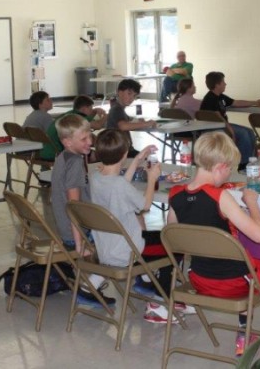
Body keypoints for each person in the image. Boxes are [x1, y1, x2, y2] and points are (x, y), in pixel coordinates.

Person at [167, 132, 260, 357]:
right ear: (220, 167)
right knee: (259, 253)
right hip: (234, 284)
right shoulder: (219, 196)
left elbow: (174, 238)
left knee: (240, 256)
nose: (229, 174)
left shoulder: (175, 195)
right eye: (230, 169)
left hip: (199, 279)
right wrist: (251, 203)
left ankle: (259, 322)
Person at [90, 131, 185, 323]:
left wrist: (137, 159)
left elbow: (120, 184)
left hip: (107, 247)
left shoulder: (95, 177)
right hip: (129, 251)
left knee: (160, 238)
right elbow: (145, 206)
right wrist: (152, 179)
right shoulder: (119, 186)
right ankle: (160, 302)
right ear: (124, 153)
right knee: (175, 245)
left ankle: (149, 280)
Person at [50, 113, 116, 308]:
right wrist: (79, 244)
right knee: (123, 242)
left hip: (68, 228)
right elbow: (74, 207)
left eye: (90, 136)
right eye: (84, 139)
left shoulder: (65, 156)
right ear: (68, 142)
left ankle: (90, 282)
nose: (90, 142)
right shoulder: (75, 163)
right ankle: (88, 288)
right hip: (77, 232)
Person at [199, 71, 260, 171]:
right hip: (214, 127)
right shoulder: (210, 98)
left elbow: (236, 102)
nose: (225, 84)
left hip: (222, 125)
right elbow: (218, 118)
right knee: (243, 133)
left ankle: (252, 162)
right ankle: (243, 165)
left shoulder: (220, 96)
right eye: (223, 82)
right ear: (217, 85)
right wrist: (231, 131)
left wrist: (255, 102)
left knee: (250, 132)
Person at [41, 95, 107, 160]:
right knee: (99, 152)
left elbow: (88, 119)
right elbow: (98, 125)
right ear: (84, 108)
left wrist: (94, 111)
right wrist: (106, 116)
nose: (92, 110)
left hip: (46, 151)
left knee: (88, 137)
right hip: (57, 153)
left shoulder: (71, 114)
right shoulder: (78, 118)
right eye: (90, 108)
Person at [107, 79, 156, 158]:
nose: (131, 98)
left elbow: (127, 121)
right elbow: (123, 126)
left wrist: (138, 121)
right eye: (129, 93)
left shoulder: (120, 108)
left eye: (134, 96)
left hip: (124, 149)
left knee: (146, 157)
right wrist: (147, 123)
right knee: (149, 159)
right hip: (118, 151)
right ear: (119, 92)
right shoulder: (116, 109)